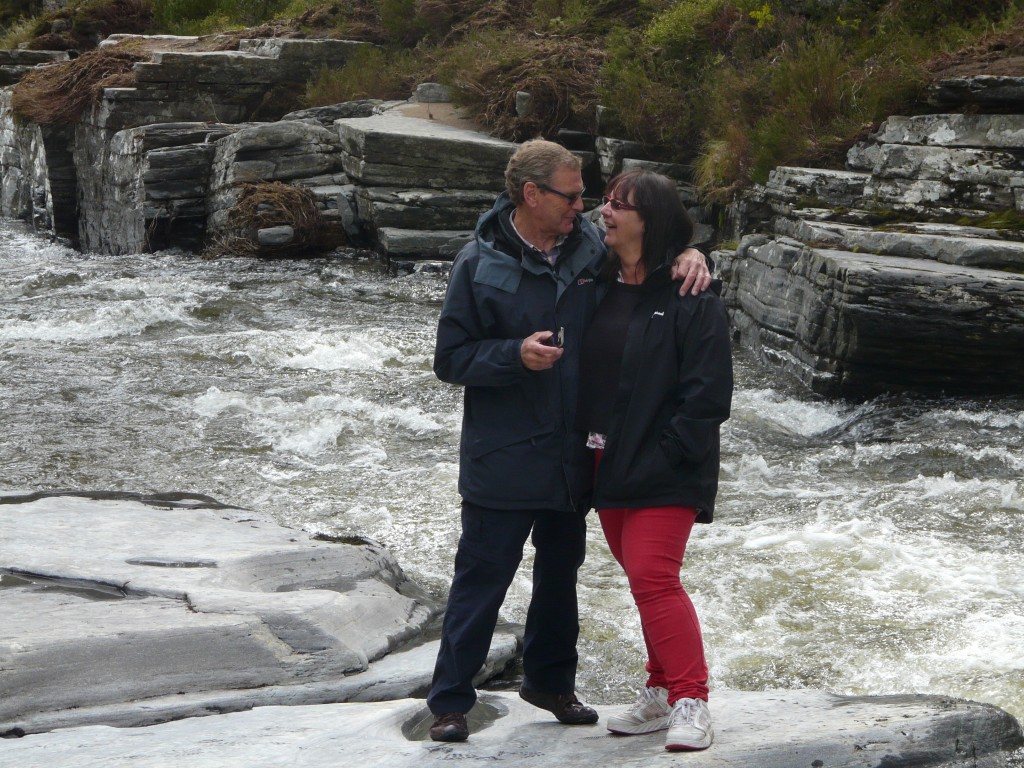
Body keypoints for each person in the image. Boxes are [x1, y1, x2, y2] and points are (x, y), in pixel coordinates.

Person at [427, 140, 712, 742]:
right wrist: (513, 355)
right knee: (483, 579)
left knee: (560, 577)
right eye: (573, 195)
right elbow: (450, 358)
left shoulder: (589, 247)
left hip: (575, 456)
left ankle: (552, 685)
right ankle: (450, 700)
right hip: (501, 456)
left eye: (588, 196)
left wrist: (690, 252)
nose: (584, 207)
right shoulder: (476, 263)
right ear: (532, 194)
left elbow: (648, 255)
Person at [577, 169, 733, 751]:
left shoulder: (693, 296)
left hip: (667, 469)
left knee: (653, 576)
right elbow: (522, 214)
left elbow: (708, 398)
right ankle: (661, 686)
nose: (605, 211)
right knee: (643, 582)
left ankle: (692, 699)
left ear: (653, 222)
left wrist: (667, 455)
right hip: (603, 463)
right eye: (607, 201)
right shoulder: (594, 277)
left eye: (621, 205)